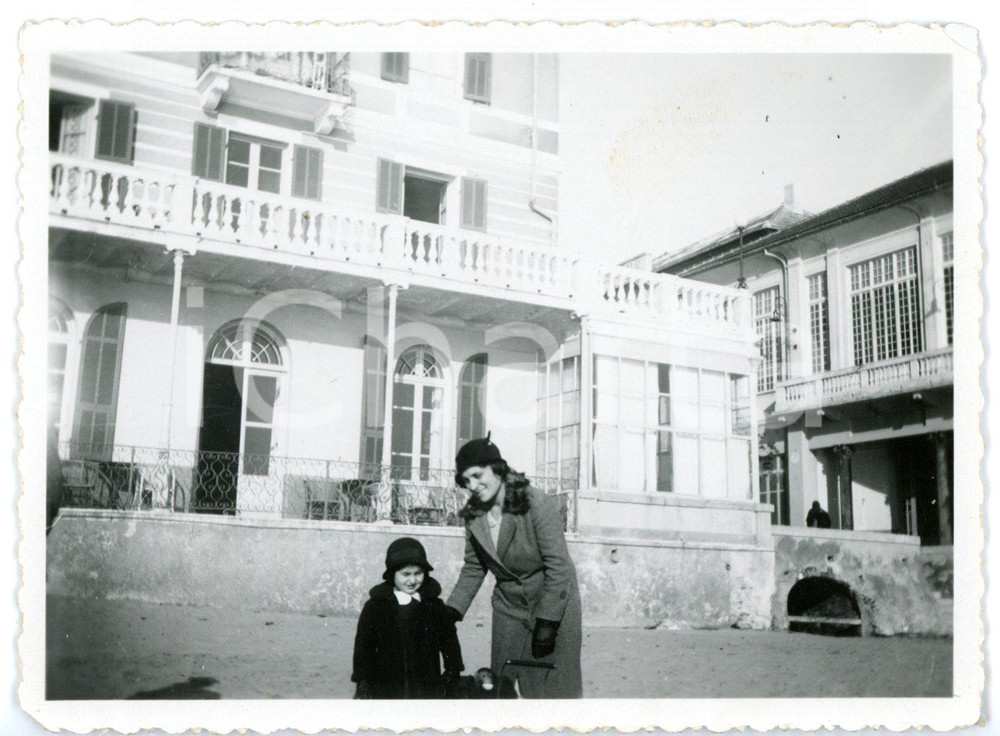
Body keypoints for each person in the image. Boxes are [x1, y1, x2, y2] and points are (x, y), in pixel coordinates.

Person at [445, 435, 583, 698]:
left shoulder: (536, 503)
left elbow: (559, 566)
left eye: (477, 475)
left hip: (552, 605)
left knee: (552, 689)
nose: (472, 486)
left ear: (497, 468)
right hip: (509, 608)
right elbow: (474, 567)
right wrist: (452, 610)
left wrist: (548, 620)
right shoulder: (474, 516)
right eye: (466, 481)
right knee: (500, 688)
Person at [351, 537, 464, 699]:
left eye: (418, 573)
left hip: (425, 686)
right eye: (405, 574)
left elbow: (449, 641)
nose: (412, 580)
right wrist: (362, 681)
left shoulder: (434, 605)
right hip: (386, 686)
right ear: (391, 575)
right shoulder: (376, 606)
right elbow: (364, 646)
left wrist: (453, 670)